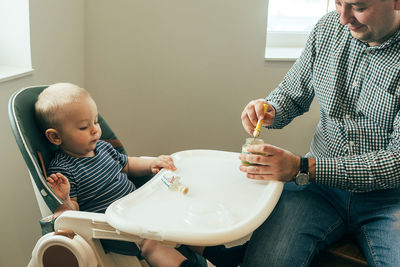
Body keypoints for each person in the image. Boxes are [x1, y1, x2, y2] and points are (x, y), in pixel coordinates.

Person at [238, 0, 400, 266]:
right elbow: (291, 93)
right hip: (318, 190)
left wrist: (302, 167)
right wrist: (269, 109)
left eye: (358, 7)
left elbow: (396, 163)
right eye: (339, 3)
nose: (344, 19)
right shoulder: (326, 30)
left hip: (390, 199)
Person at [35, 83, 246, 267]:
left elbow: (128, 164)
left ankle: (221, 255)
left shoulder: (102, 148)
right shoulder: (64, 170)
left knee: (178, 219)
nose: (95, 130)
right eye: (84, 127)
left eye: (96, 122)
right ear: (55, 137)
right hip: (114, 229)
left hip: (138, 209)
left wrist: (152, 163)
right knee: (152, 244)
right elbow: (72, 216)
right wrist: (63, 200)